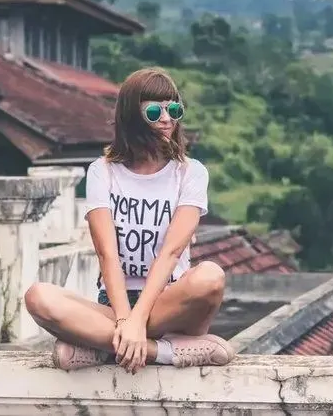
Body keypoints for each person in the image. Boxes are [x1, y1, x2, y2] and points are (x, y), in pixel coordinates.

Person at [23, 67, 235, 372]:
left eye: (173, 109)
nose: (167, 119)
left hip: (170, 302)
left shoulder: (190, 172)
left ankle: (102, 348)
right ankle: (160, 352)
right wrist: (125, 320)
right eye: (154, 111)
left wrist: (137, 320)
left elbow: (171, 252)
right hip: (113, 306)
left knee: (210, 276)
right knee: (38, 297)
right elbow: (107, 254)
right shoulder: (103, 171)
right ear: (132, 117)